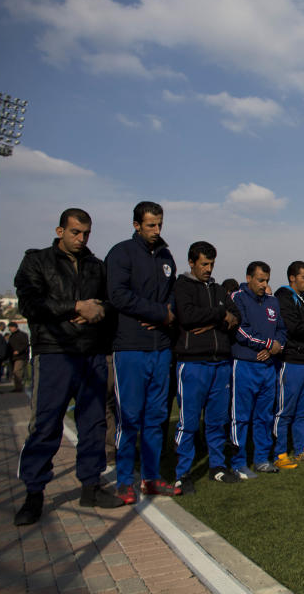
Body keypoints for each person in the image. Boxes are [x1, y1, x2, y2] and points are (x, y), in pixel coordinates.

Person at [13, 207, 125, 525]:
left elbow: (112, 303)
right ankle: (34, 493)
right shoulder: (36, 261)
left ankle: (90, 486)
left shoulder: (96, 266)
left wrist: (98, 309)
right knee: (46, 425)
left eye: (86, 233)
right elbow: (30, 303)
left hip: (92, 353)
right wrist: (75, 307)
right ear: (60, 231)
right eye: (75, 232)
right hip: (55, 352)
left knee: (93, 424)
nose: (81, 238)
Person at [106, 201, 178, 503]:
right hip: (131, 347)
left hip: (160, 348)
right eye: (151, 225)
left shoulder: (166, 256)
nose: (156, 230)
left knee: (156, 417)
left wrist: (168, 313)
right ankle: (124, 480)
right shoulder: (121, 252)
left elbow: (172, 296)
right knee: (130, 417)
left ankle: (151, 477)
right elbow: (118, 295)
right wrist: (158, 313)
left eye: (160, 224)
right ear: (137, 225)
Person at [173, 241, 241, 493]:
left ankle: (217, 467)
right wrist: (220, 315)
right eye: (204, 264)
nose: (208, 269)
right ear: (191, 262)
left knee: (217, 420)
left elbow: (236, 316)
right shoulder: (182, 285)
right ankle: (182, 473)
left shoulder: (219, 288)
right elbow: (188, 316)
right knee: (188, 422)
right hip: (192, 363)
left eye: (211, 264)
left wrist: (217, 318)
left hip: (220, 362)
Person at [229, 261, 288, 477]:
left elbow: (282, 330)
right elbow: (240, 330)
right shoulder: (238, 298)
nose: (264, 285)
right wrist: (266, 344)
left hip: (268, 366)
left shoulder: (273, 302)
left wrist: (275, 347)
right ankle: (238, 462)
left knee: (265, 416)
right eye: (260, 280)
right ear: (249, 278)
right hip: (245, 365)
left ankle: (262, 458)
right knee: (241, 416)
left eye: (267, 281)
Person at [274, 261, 304, 464]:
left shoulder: (300, 298)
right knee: (285, 410)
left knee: (303, 411)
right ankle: (279, 453)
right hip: (291, 359)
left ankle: (300, 449)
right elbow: (292, 327)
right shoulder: (284, 296)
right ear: (292, 277)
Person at [7, 322, 29, 392]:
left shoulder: (22, 335)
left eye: (11, 327)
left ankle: (19, 387)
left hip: (20, 357)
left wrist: (19, 351)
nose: (9, 329)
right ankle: (17, 387)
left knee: (17, 371)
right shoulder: (11, 336)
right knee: (15, 372)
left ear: (15, 327)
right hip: (13, 357)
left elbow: (25, 344)